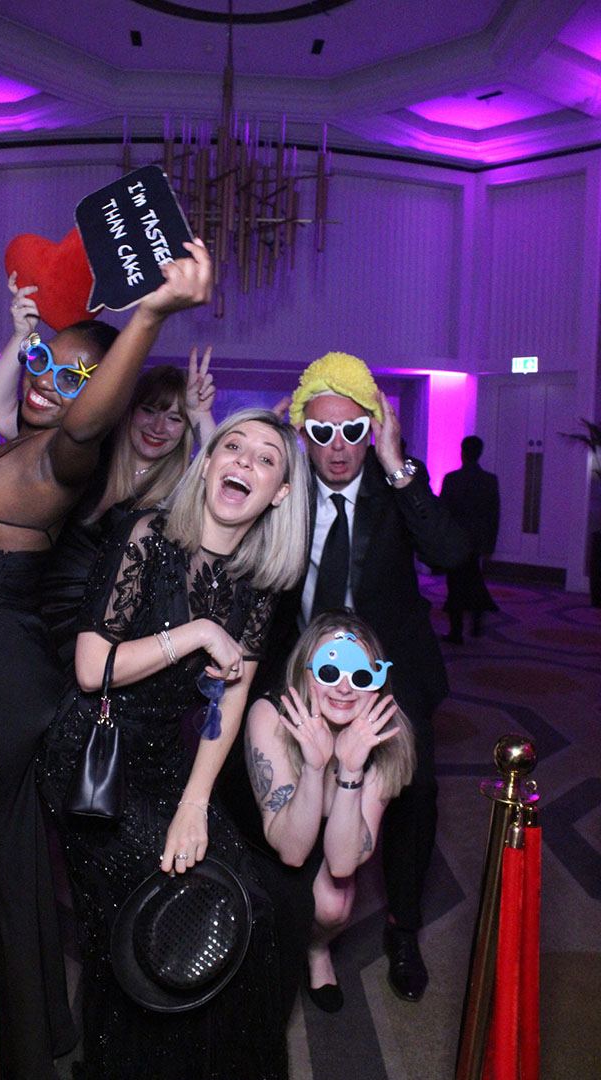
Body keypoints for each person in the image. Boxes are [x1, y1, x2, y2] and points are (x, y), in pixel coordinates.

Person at [0, 240, 212, 1080]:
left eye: (74, 378)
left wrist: (151, 313)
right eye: (42, 363)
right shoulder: (15, 449)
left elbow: (87, 422)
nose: (47, 384)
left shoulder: (63, 458)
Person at [38, 408, 309, 1080]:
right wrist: (195, 634)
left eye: (265, 458)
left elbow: (230, 703)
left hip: (166, 761)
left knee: (247, 903)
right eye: (232, 446)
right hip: (94, 755)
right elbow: (90, 667)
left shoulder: (257, 583)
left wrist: (195, 803)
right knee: (152, 911)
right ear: (208, 462)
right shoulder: (147, 536)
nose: (244, 462)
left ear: (280, 493)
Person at [249, 350, 469, 1003]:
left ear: (373, 429)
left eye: (353, 429)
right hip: (303, 670)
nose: (339, 445)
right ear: (303, 434)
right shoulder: (287, 489)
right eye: (323, 431)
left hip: (390, 672)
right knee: (276, 778)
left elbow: (453, 552)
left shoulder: (395, 482)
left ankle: (404, 929)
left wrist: (398, 464)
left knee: (416, 794)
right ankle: (299, 922)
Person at [0, 273, 217, 669]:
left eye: (175, 419)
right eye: (149, 410)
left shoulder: (178, 491)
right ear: (125, 409)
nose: (158, 427)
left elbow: (223, 485)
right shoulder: (88, 456)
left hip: (106, 645)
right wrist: (21, 336)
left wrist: (200, 415)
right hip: (34, 624)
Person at [246, 611, 415, 1012]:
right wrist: (314, 767)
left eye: (360, 675)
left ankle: (317, 948)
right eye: (328, 671)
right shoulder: (271, 715)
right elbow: (290, 851)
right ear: (305, 674)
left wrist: (351, 770)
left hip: (332, 837)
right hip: (262, 838)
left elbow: (342, 864)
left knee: (334, 903)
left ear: (378, 683)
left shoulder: (388, 739)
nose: (343, 687)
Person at [440, 435, 500, 644]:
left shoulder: (451, 479)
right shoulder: (489, 480)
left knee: (455, 584)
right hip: (477, 541)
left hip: (456, 540)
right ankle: (476, 621)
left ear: (462, 452)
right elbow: (494, 514)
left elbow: (443, 512)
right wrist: (490, 543)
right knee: (474, 580)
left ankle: (456, 631)